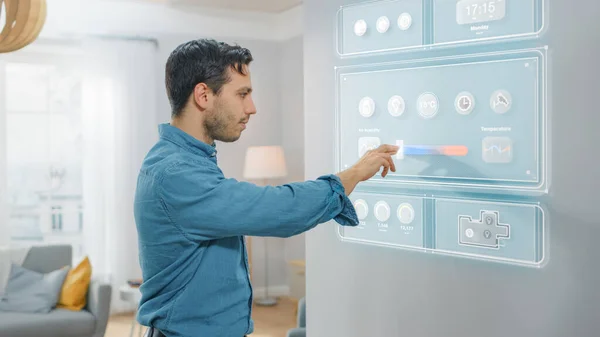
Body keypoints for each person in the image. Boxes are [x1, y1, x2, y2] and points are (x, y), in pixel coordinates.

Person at [134, 38, 399, 337]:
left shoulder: (183, 161)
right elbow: (276, 209)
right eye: (242, 94)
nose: (252, 107)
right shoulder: (176, 173)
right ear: (203, 95)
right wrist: (352, 175)